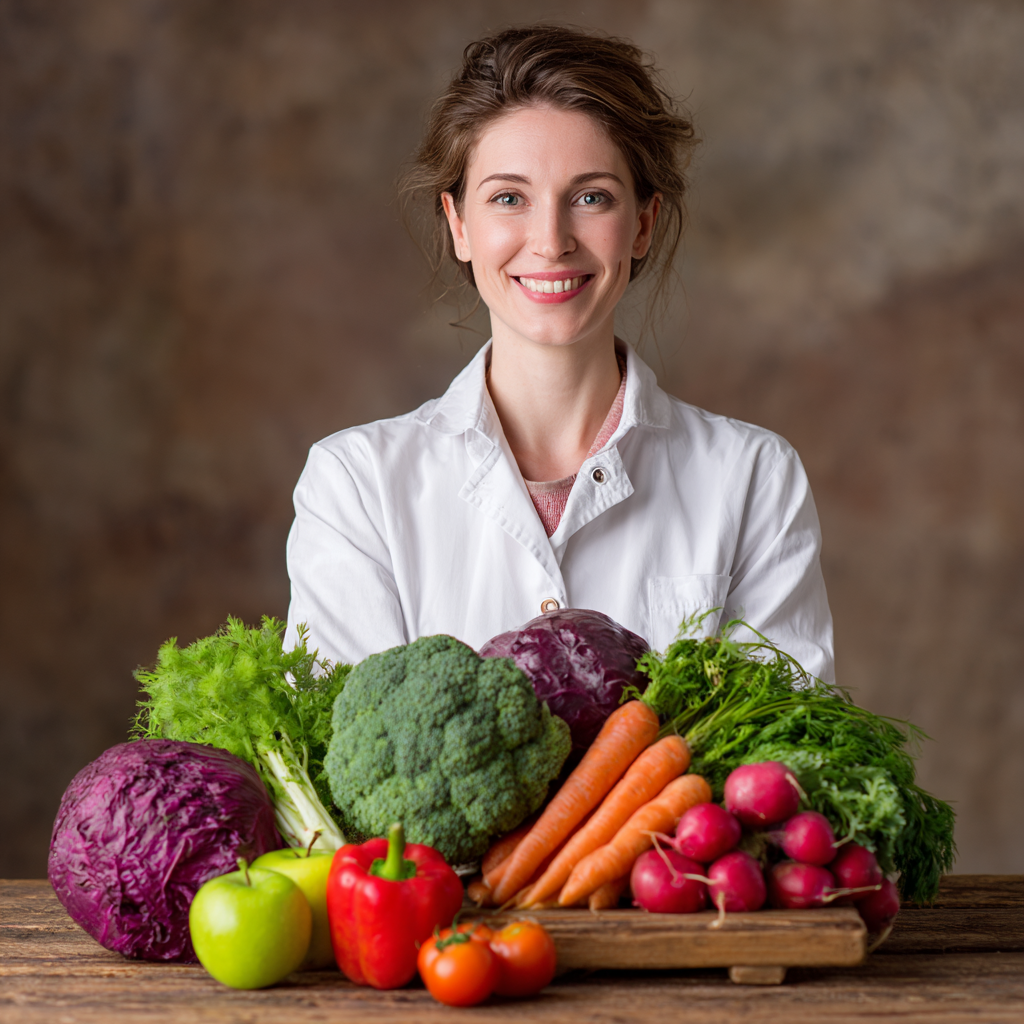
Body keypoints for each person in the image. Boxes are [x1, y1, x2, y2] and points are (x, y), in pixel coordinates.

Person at [284, 26, 835, 681]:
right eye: (508, 198)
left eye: (590, 197)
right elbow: (335, 761)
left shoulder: (751, 478)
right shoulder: (357, 485)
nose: (550, 241)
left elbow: (785, 760)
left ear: (642, 223)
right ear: (459, 225)